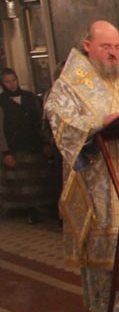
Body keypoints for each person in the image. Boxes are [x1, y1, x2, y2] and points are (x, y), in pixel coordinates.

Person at [44, 20, 119, 312]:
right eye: (106, 46)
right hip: (99, 180)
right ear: (87, 46)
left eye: (117, 47)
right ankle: (107, 309)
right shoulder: (70, 84)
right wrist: (97, 123)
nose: (113, 53)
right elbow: (59, 118)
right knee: (108, 245)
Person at [0, 68, 55, 224]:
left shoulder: (29, 97)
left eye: (13, 80)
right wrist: (5, 152)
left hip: (34, 143)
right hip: (15, 145)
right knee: (22, 182)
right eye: (7, 82)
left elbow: (39, 121)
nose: (12, 84)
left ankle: (45, 207)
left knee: (40, 178)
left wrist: (46, 142)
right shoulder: (2, 101)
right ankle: (28, 210)